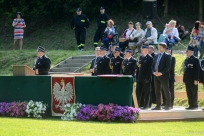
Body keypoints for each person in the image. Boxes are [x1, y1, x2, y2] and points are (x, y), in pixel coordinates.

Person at [152, 42, 171, 110]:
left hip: (163, 76)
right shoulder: (156, 55)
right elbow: (153, 65)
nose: (159, 49)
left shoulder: (167, 56)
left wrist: (161, 73)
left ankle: (168, 105)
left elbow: (168, 67)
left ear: (164, 48)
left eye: (160, 47)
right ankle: (158, 105)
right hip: (156, 75)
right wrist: (154, 72)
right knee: (157, 91)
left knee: (166, 90)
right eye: (158, 47)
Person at [136, 45, 153, 110]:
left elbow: (150, 69)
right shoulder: (140, 57)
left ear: (146, 49)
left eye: (143, 49)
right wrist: (137, 77)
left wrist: (148, 78)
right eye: (141, 49)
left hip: (146, 78)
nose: (141, 50)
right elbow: (138, 68)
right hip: (140, 78)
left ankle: (146, 105)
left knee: (147, 92)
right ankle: (137, 105)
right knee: (138, 92)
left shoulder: (150, 58)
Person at [183, 46, 199, 110]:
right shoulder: (187, 59)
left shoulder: (195, 60)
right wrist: (184, 79)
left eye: (187, 51)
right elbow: (185, 70)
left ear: (191, 52)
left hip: (193, 79)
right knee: (189, 92)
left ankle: (195, 105)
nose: (186, 52)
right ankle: (190, 104)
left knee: (194, 92)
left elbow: (197, 70)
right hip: (187, 79)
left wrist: (196, 79)